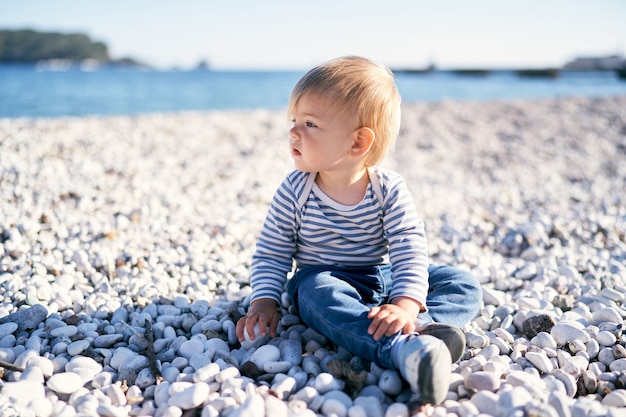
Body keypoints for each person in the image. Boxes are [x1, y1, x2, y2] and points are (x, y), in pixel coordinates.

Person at [236, 56, 482, 405]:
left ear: (356, 144)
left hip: (382, 276)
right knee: (313, 294)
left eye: (310, 124)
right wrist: (264, 300)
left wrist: (406, 304)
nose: (293, 132)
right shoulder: (296, 190)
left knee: (462, 283)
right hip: (325, 277)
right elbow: (273, 252)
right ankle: (399, 348)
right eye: (294, 121)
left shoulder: (388, 189)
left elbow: (409, 247)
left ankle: (420, 328)